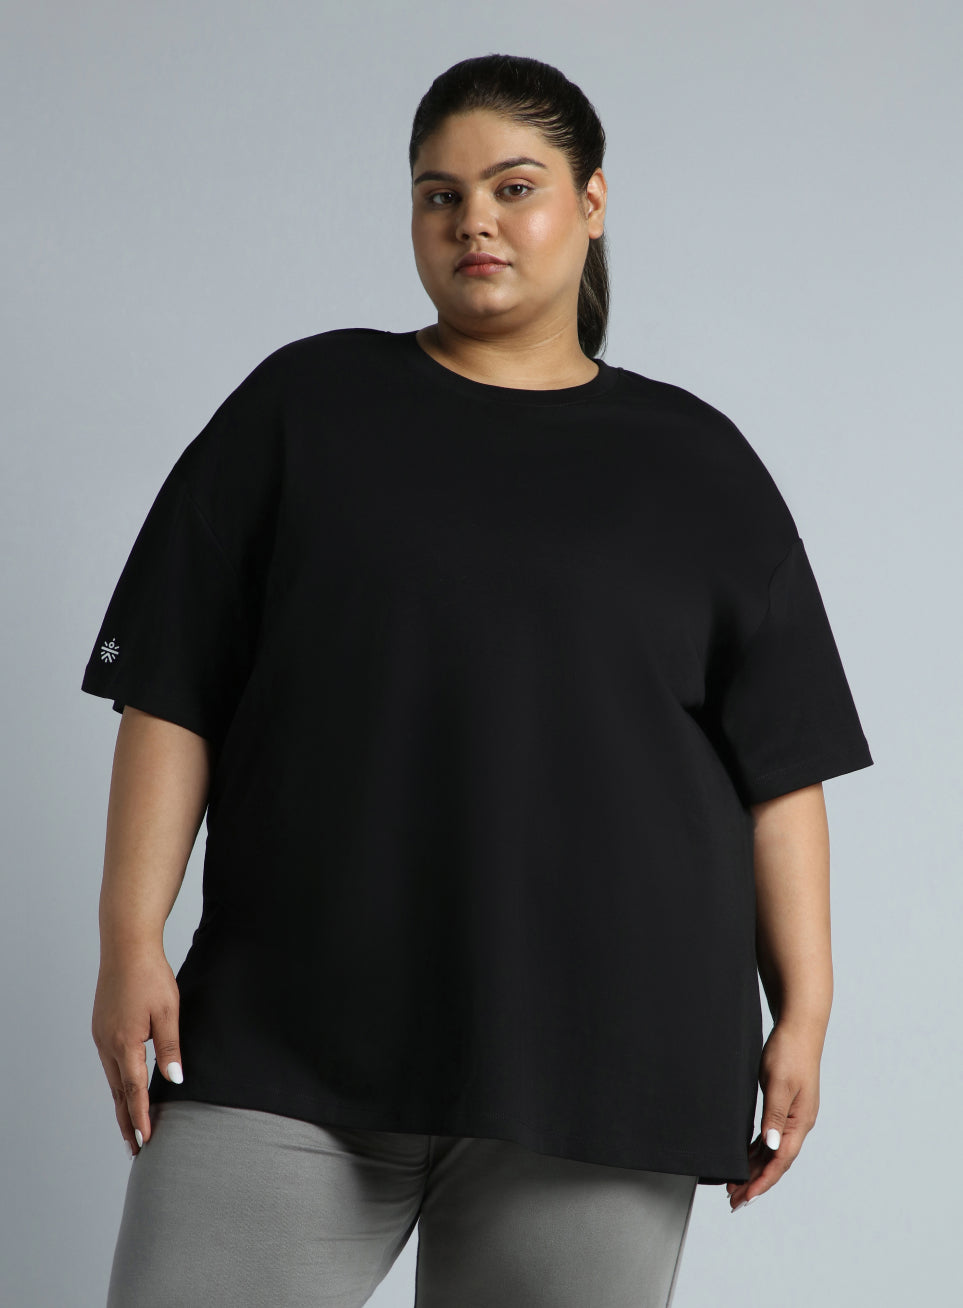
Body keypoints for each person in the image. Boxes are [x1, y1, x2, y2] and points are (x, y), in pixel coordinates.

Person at [82, 53, 874, 1308]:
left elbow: (781, 769)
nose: (474, 223)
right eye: (439, 196)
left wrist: (806, 1013)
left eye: (515, 188)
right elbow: (172, 689)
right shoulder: (304, 408)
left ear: (592, 202)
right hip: (294, 1029)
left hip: (606, 1057)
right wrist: (131, 938)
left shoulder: (698, 465)